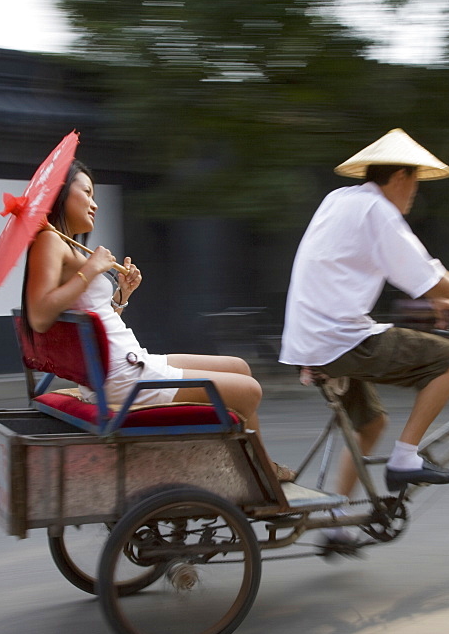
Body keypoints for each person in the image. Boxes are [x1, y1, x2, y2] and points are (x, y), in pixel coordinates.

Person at [279, 128, 449, 539]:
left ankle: (335, 523)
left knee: (371, 423)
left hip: (311, 340)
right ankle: (405, 459)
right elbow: (428, 273)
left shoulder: (341, 200)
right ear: (400, 177)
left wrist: (435, 295)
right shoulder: (379, 210)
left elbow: (393, 268)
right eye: (414, 184)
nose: (414, 194)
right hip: (340, 338)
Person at [22, 160, 293, 479]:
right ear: (62, 195)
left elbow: (95, 323)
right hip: (123, 376)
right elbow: (39, 316)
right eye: (87, 192)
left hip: (127, 363)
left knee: (239, 367)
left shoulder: (67, 246)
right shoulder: (49, 241)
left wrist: (122, 295)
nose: (94, 203)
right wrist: (92, 269)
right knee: (249, 390)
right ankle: (256, 472)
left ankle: (233, 462)